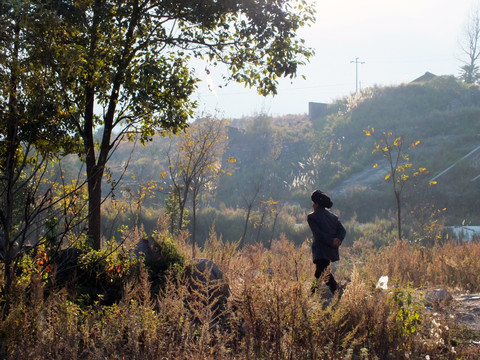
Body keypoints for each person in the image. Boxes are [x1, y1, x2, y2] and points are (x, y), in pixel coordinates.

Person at [307, 190, 346, 295]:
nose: (313, 205)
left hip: (320, 251)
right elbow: (343, 231)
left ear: (317, 204)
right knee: (319, 273)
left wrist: (331, 241)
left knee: (325, 274)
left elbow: (318, 235)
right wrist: (337, 240)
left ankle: (338, 293)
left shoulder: (312, 217)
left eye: (314, 203)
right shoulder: (334, 217)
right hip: (330, 251)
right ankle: (311, 293)